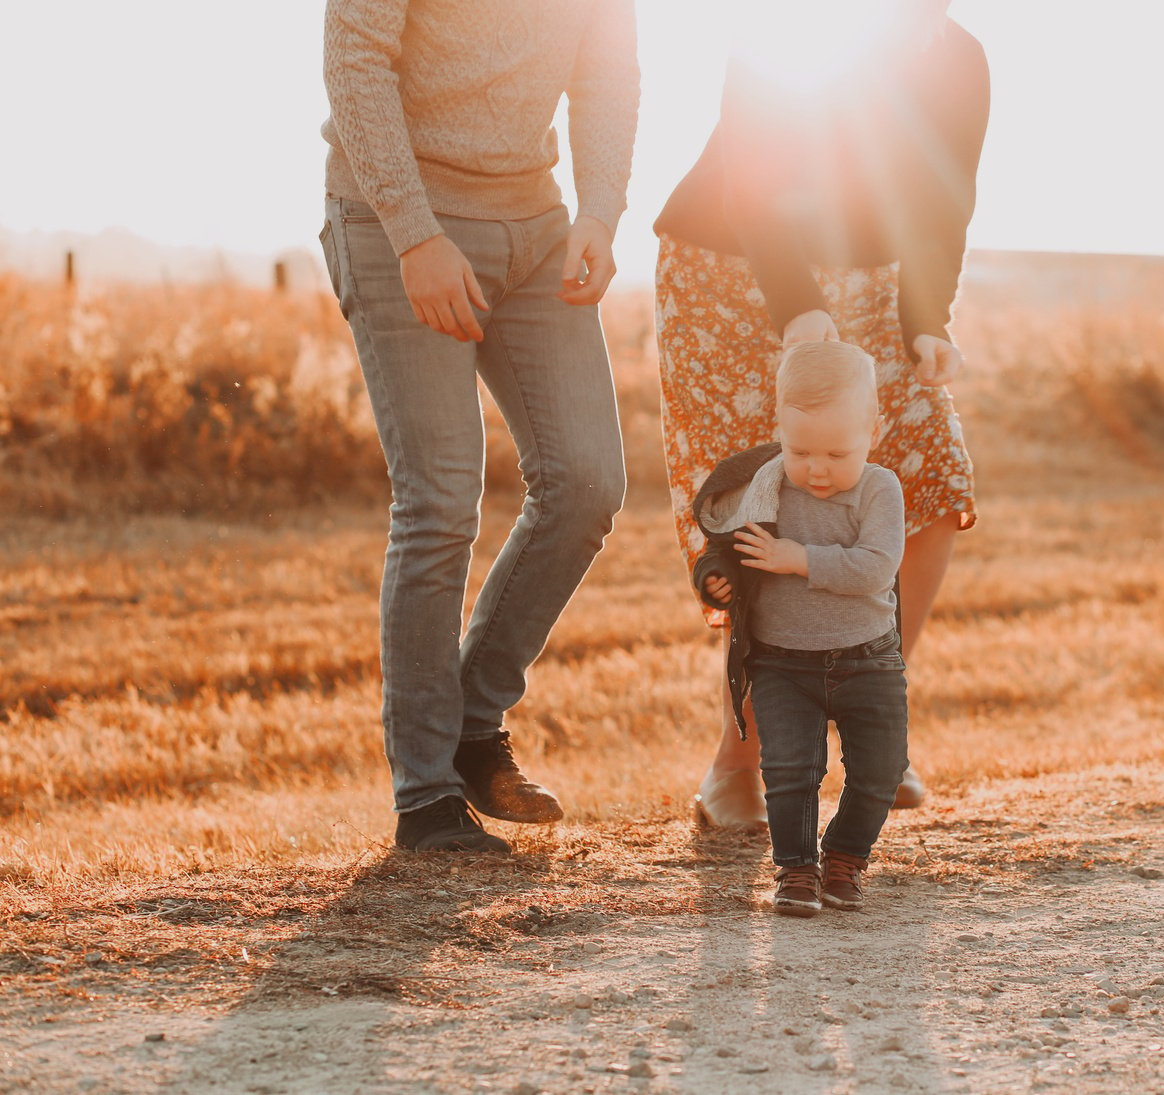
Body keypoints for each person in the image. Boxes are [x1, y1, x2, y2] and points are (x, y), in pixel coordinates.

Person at [653, 0, 988, 827]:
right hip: (730, 272)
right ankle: (740, 761)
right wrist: (798, 306)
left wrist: (928, 320)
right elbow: (752, 180)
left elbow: (944, 205)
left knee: (932, 477)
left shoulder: (960, 57)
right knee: (767, 508)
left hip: (872, 285)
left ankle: (871, 717)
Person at [318, 0, 640, 853]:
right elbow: (355, 60)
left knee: (588, 482)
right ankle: (425, 796)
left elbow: (606, 71)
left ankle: (470, 723)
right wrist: (415, 235)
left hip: (536, 224)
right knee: (442, 498)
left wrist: (601, 212)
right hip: (400, 216)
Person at [691, 342, 907, 915]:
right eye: (800, 449)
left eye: (838, 452)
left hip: (869, 659)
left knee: (881, 771)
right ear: (780, 430)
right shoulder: (763, 488)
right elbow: (724, 551)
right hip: (783, 662)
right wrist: (716, 579)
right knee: (789, 771)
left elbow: (877, 568)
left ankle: (844, 859)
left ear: (873, 433)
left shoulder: (879, 489)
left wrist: (799, 559)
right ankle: (795, 872)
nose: (816, 468)